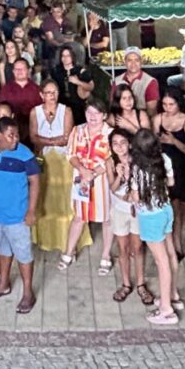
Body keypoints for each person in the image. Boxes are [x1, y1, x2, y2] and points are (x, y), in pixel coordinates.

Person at [0, 117, 40, 314]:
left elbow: (35, 181)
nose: (15, 139)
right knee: (2, 247)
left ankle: (28, 292)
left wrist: (31, 210)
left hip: (17, 216)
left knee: (23, 254)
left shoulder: (24, 154)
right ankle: (4, 284)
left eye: (17, 134)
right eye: (11, 135)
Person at [131, 129, 183, 325]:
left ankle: (166, 309)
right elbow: (171, 182)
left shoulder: (138, 169)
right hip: (165, 209)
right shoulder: (165, 159)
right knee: (170, 254)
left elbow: (136, 197)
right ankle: (173, 295)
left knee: (162, 262)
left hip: (150, 217)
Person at [60, 101, 115, 273]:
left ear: (104, 115)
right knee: (79, 216)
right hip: (81, 179)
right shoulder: (78, 130)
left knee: (107, 218)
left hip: (103, 181)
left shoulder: (111, 134)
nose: (92, 116)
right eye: (89, 112)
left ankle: (106, 255)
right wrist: (83, 170)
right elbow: (71, 153)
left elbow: (114, 158)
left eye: (97, 113)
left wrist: (95, 173)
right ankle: (69, 251)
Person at [153, 94, 185, 270]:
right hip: (166, 171)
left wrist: (174, 141)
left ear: (179, 104)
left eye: (171, 104)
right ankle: (177, 247)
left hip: (184, 169)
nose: (167, 108)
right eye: (164, 104)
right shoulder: (158, 119)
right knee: (173, 212)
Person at [107, 127, 152, 305]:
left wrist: (129, 173)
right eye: (115, 143)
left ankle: (141, 283)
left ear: (130, 144)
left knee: (138, 248)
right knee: (122, 248)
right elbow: (112, 188)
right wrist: (119, 175)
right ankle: (126, 283)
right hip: (119, 210)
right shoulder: (109, 162)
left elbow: (142, 186)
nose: (119, 146)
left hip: (136, 208)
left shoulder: (138, 161)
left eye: (123, 142)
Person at [0, 59, 42, 146]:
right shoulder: (6, 89)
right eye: (16, 69)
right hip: (11, 131)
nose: (19, 71)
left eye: (22, 69)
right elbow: (2, 111)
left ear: (29, 70)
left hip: (33, 130)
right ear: (13, 71)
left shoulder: (37, 89)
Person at [111, 47, 160, 118]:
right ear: (124, 62)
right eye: (129, 60)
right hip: (121, 119)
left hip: (142, 121)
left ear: (141, 62)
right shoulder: (117, 81)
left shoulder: (150, 82)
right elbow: (113, 106)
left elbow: (151, 111)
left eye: (136, 60)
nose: (133, 63)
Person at [51, 46, 93, 125]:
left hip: (78, 106)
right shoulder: (56, 71)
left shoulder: (81, 71)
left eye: (68, 56)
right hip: (61, 105)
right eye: (63, 56)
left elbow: (91, 87)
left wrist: (78, 82)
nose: (65, 58)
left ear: (72, 57)